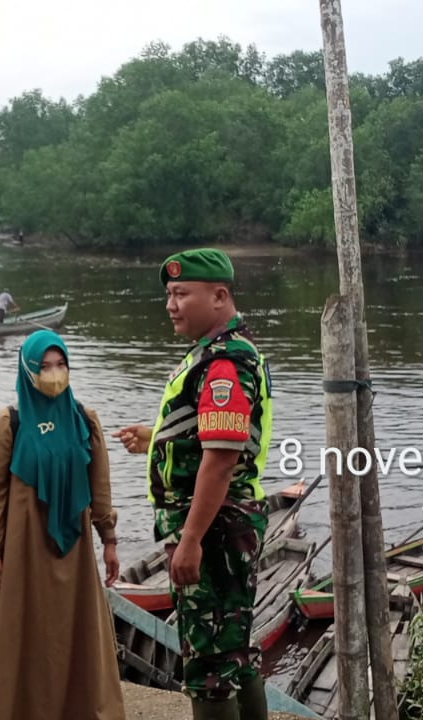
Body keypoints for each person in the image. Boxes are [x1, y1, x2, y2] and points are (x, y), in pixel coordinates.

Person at [113, 249, 273, 720]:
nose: (171, 304)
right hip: (221, 524)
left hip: (214, 527)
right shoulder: (215, 352)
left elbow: (221, 461)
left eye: (182, 294)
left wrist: (190, 540)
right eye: (169, 294)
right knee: (233, 654)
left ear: (219, 296)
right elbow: (207, 435)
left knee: (208, 663)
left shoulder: (224, 362)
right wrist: (158, 438)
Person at [0, 330, 127, 720]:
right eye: (44, 367)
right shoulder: (9, 425)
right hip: (24, 549)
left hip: (74, 551)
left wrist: (108, 539)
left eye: (61, 365)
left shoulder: (83, 421)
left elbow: (100, 487)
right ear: (28, 370)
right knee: (26, 632)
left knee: (78, 632)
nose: (54, 374)